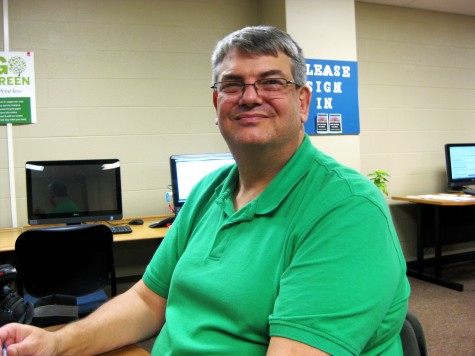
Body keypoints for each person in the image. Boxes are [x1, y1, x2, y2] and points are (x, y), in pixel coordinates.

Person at [0, 26, 410, 355]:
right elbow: (148, 300)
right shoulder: (208, 192)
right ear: (216, 103)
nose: (250, 97)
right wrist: (56, 342)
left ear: (303, 102)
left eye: (270, 82)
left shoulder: (346, 209)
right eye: (233, 84)